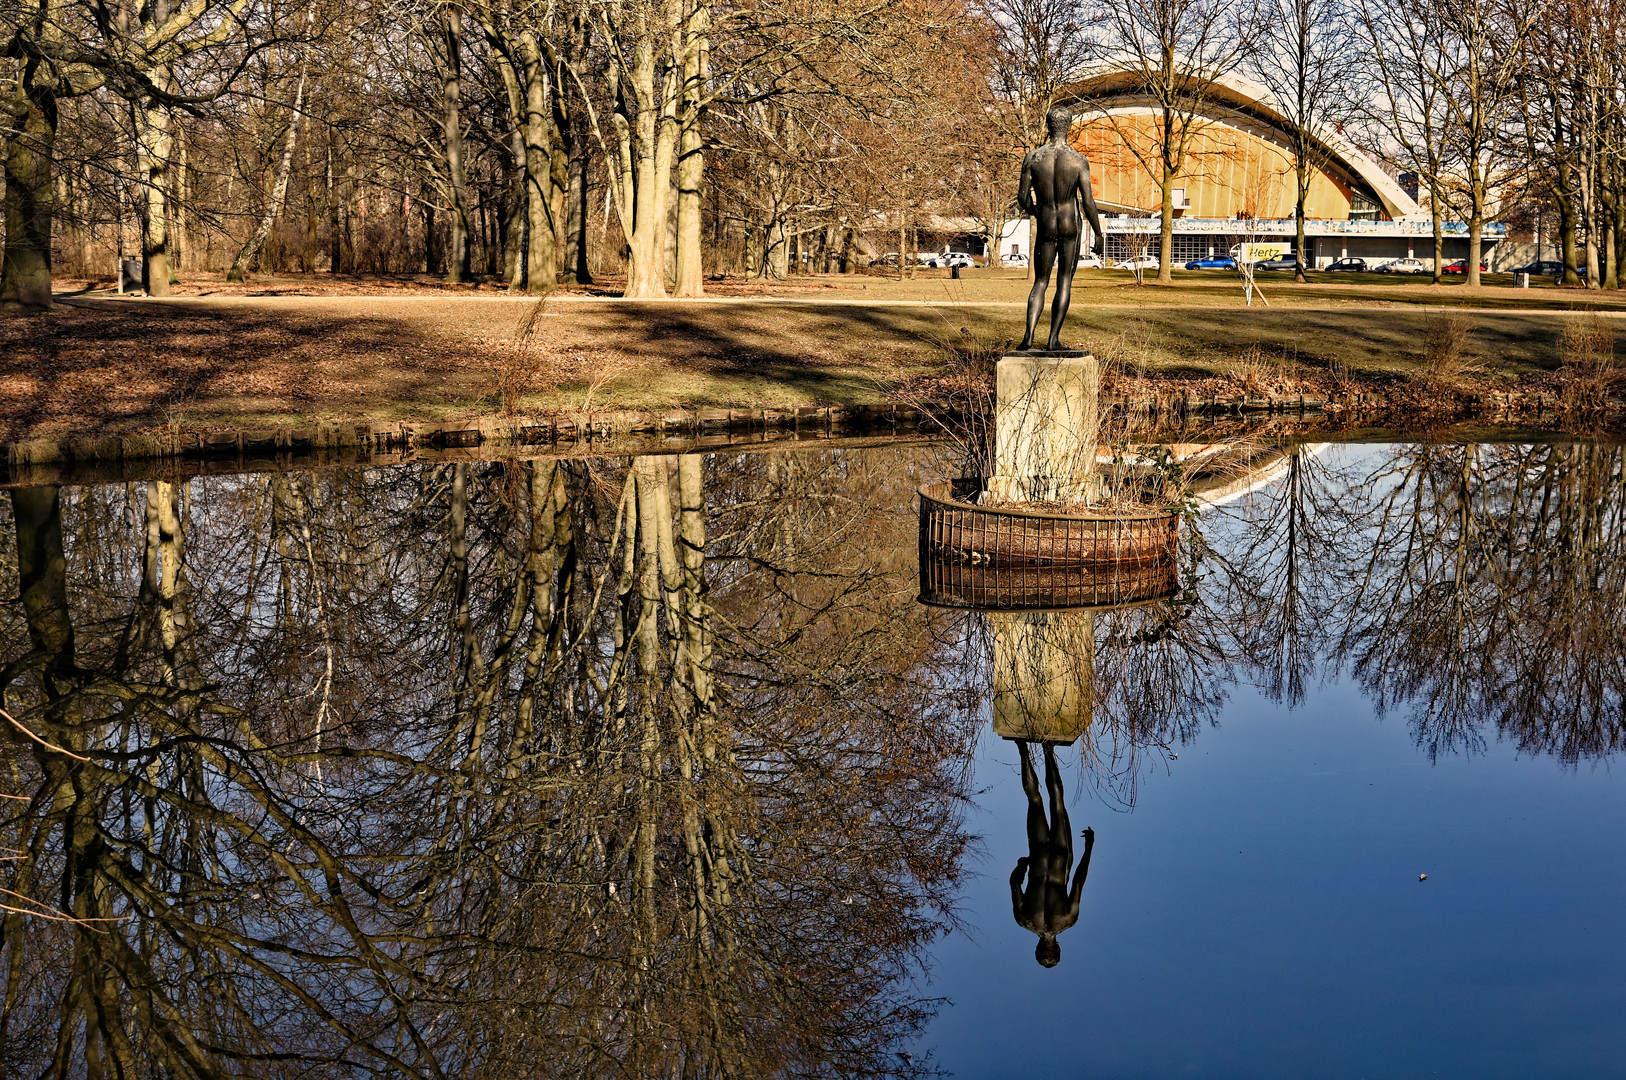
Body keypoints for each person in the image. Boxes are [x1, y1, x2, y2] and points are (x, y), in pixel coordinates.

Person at [1015, 105, 1107, 353]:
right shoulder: (1078, 161)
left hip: (1046, 222)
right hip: (1069, 224)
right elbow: (1088, 202)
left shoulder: (1033, 158)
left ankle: (1028, 337)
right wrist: (1098, 233)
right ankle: (1053, 339)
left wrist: (1035, 211)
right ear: (1069, 127)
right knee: (1064, 280)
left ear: (1048, 125)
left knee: (1040, 282)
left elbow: (1022, 198)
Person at [1010, 740, 1095, 967]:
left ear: (1057, 947)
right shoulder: (1024, 920)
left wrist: (1089, 849)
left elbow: (1078, 882)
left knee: (1057, 803)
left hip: (1060, 856)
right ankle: (1022, 748)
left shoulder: (1068, 920)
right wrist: (1022, 866)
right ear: (1037, 948)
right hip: (1038, 856)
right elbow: (1014, 884)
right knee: (1035, 800)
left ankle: (1048, 749)